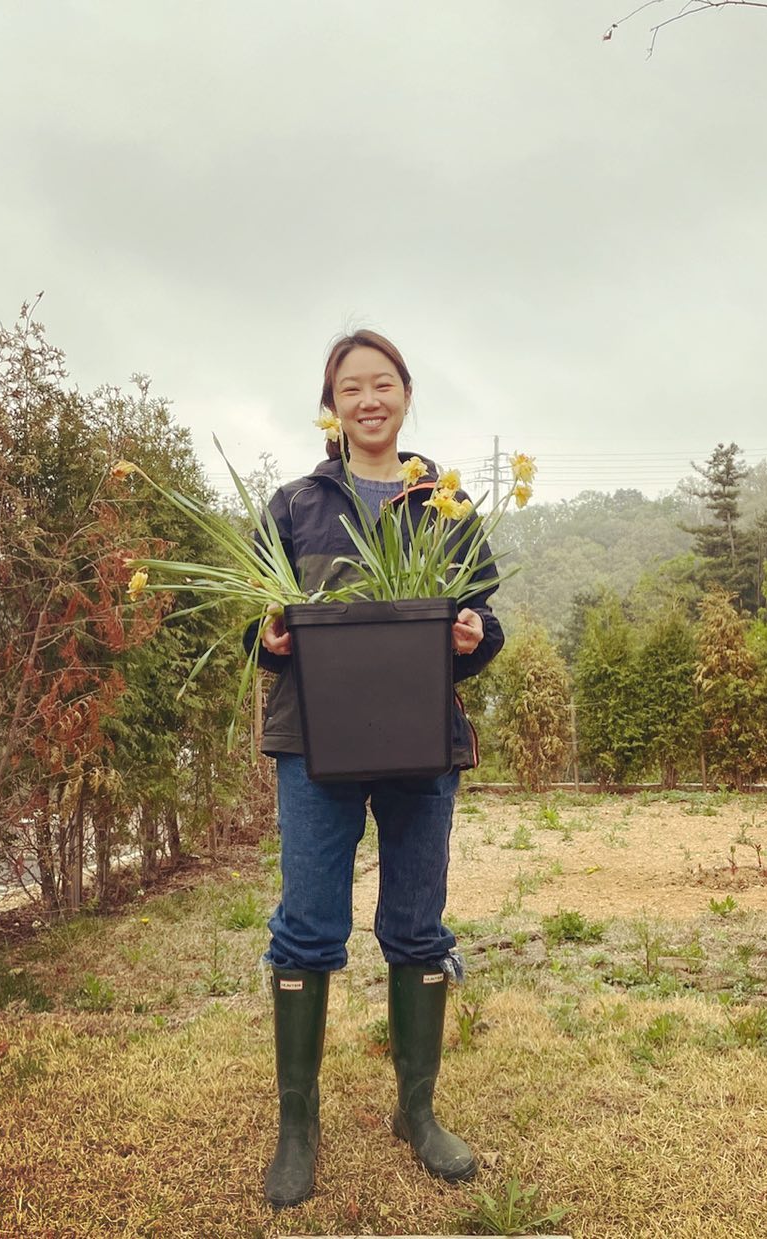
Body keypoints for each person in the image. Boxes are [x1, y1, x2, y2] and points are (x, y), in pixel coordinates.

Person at [245, 329, 505, 1210]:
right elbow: (261, 629)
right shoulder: (293, 505)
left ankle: (416, 1111)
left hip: (420, 738)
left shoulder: (446, 503)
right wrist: (272, 637)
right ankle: (297, 1126)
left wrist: (471, 637)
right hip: (313, 742)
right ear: (331, 404)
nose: (367, 398)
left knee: (415, 923)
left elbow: (479, 627)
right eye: (350, 386)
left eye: (382, 382)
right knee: (309, 926)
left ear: (404, 393)